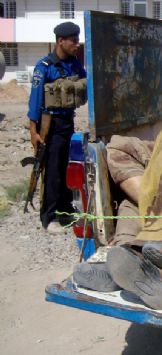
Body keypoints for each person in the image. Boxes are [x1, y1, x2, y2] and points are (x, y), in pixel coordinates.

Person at [27, 22, 87, 234]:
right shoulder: (44, 66)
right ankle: (49, 217)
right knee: (52, 172)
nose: (77, 45)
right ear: (61, 41)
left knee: (66, 168)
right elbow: (35, 102)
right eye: (73, 40)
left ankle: (64, 210)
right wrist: (33, 132)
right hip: (49, 126)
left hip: (67, 123)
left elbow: (85, 83)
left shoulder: (74, 65)